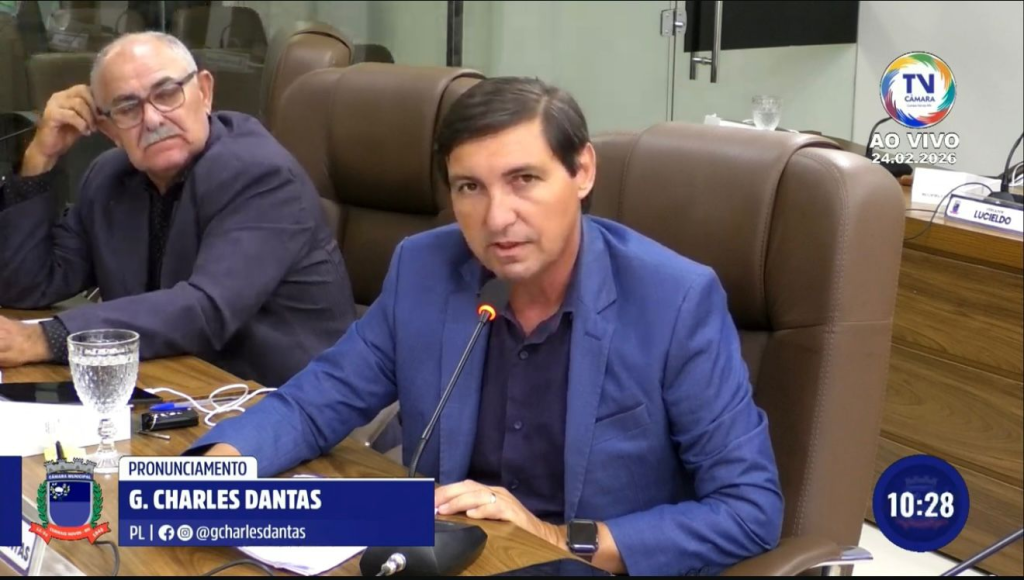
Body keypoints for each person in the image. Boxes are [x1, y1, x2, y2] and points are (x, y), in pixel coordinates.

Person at [190, 77, 783, 575]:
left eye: (524, 179)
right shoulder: (424, 268)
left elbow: (749, 509)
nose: (497, 218)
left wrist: (554, 537)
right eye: (470, 187)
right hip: (450, 558)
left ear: (582, 171)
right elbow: (313, 404)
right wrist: (212, 475)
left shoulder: (674, 300)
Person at [0, 32, 356, 387]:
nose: (153, 119)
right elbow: (28, 286)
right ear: (109, 129)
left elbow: (206, 309)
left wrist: (46, 338)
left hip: (281, 398)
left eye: (167, 93)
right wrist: (40, 156)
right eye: (128, 108)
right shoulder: (109, 177)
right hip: (168, 384)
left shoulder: (261, 174)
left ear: (204, 92)